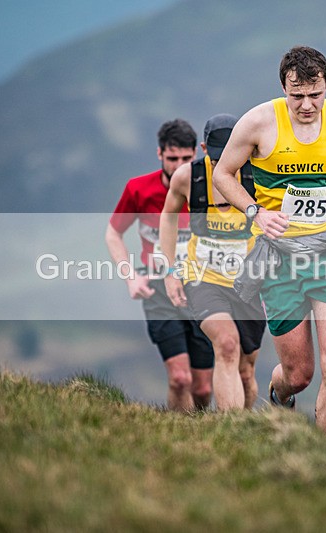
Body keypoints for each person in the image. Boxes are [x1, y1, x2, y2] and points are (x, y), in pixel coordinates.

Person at [212, 45, 326, 443]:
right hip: (279, 259)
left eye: (315, 95)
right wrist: (255, 213)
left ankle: (322, 461)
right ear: (284, 87)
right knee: (299, 375)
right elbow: (223, 175)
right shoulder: (258, 123)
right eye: (297, 96)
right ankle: (280, 396)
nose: (306, 105)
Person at [105, 119, 215, 412]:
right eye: (172, 158)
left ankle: (201, 437)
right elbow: (113, 233)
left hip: (202, 289)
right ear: (159, 155)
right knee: (180, 379)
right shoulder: (139, 189)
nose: (179, 166)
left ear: (196, 154)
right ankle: (177, 438)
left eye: (186, 158)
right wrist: (131, 278)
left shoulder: (210, 190)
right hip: (158, 290)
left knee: (203, 387)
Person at [160, 114, 266, 411]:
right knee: (227, 345)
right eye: (218, 157)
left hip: (249, 282)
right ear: (204, 148)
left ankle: (247, 431)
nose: (225, 164)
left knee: (246, 371)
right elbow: (168, 216)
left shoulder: (256, 175)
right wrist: (170, 271)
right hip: (203, 277)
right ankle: (231, 433)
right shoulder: (187, 177)